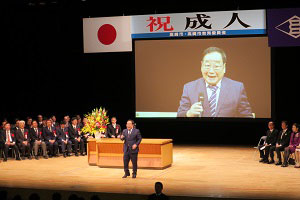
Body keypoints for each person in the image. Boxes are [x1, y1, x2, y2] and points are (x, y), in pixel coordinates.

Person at [177, 47, 252, 118]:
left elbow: (247, 117)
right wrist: (189, 113)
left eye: (216, 66)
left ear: (224, 67)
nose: (211, 71)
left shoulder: (237, 88)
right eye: (207, 65)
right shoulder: (189, 88)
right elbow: (180, 115)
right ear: (201, 66)